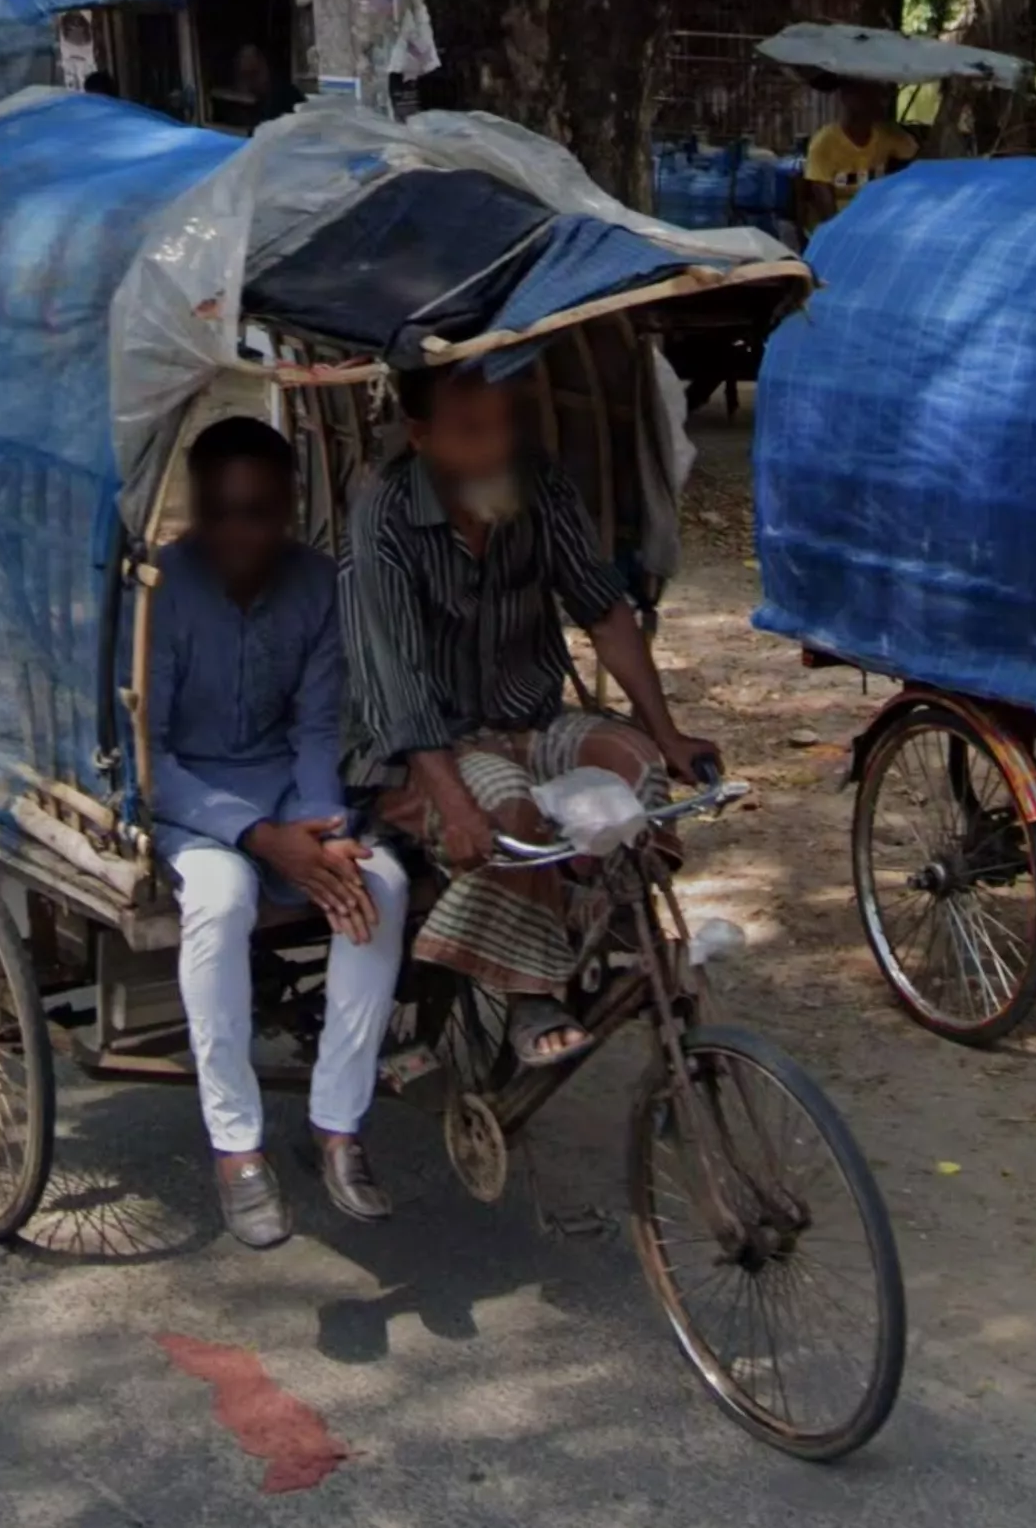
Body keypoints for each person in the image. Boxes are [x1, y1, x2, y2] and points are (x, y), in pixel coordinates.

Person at [344, 364, 721, 1066]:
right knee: (504, 805)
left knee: (635, 766)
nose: (496, 448)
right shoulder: (385, 515)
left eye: (503, 426)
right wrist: (453, 803)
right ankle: (529, 993)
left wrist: (665, 733)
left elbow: (602, 610)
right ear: (421, 437)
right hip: (423, 749)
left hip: (533, 720)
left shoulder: (536, 483)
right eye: (471, 431)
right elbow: (400, 690)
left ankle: (607, 926)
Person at [152, 417, 410, 1247]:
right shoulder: (159, 589)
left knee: (379, 886)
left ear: (290, 508)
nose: (240, 533)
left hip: (287, 790)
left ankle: (338, 1124)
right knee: (221, 901)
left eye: (260, 512)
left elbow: (315, 728)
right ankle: (237, 1146)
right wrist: (259, 836)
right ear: (197, 509)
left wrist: (320, 828)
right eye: (221, 513)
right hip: (190, 805)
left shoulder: (315, 584)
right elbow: (149, 755)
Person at [800, 79, 916, 227]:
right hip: (841, 224)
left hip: (878, 220)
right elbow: (827, 211)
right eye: (870, 94)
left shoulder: (889, 134)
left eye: (883, 95)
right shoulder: (824, 143)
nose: (882, 102)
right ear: (847, 97)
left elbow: (922, 165)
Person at [231, 43, 304, 128]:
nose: (251, 83)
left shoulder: (285, 96)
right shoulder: (250, 103)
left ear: (265, 67)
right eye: (245, 77)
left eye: (254, 74)